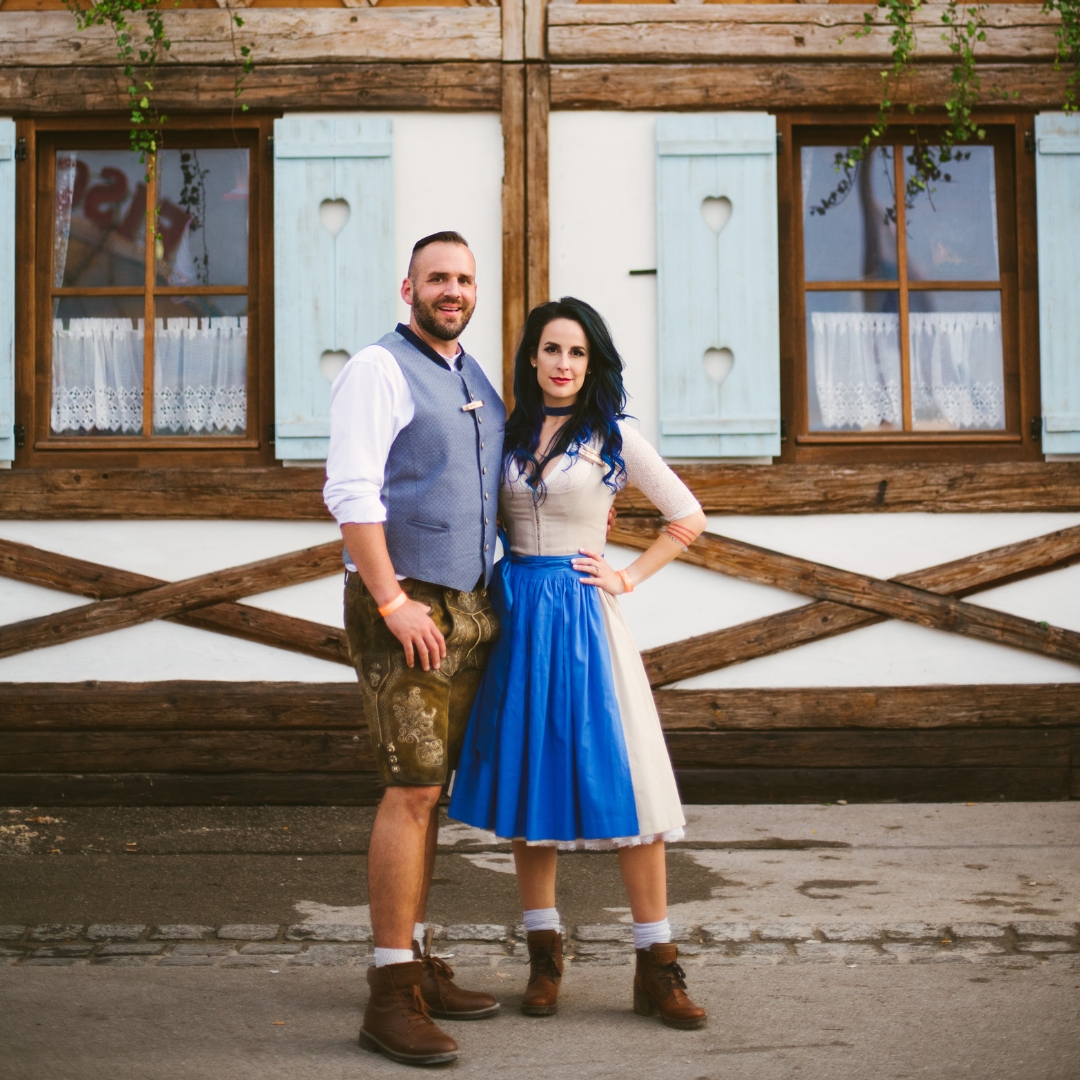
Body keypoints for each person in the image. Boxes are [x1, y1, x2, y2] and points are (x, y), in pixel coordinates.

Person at [449, 297, 710, 1029]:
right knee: (534, 792)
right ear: (531, 358)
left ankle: (656, 966)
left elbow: (687, 516)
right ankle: (543, 955)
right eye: (552, 350)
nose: (563, 364)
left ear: (590, 364)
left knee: (630, 788)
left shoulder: (614, 434)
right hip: (517, 613)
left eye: (577, 353)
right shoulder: (505, 431)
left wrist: (625, 576)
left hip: (584, 614)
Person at [323, 231, 505, 1067]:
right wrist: (392, 600)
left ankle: (417, 960)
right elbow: (352, 491)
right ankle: (388, 991)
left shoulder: (472, 373)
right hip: (407, 606)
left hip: (468, 605)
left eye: (464, 278)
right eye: (438, 277)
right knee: (410, 790)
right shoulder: (378, 369)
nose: (453, 289)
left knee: (431, 793)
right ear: (408, 288)